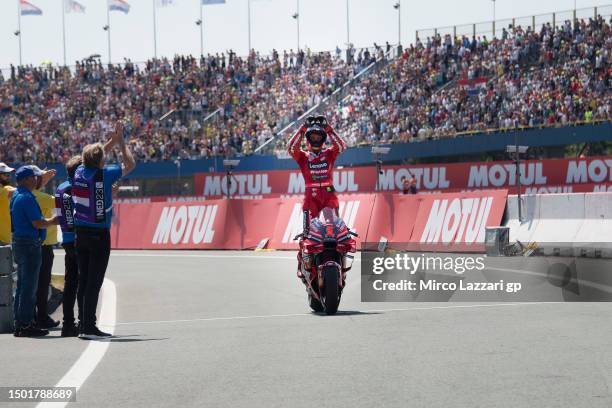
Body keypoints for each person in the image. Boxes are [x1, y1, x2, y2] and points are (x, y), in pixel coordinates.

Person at [74, 122, 135, 339]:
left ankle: (83, 323)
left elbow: (92, 157)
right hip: (99, 235)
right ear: (101, 161)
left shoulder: (80, 172)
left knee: (84, 280)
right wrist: (121, 142)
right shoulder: (106, 174)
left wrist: (111, 142)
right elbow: (130, 163)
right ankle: (88, 327)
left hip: (80, 233)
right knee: (94, 282)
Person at [287, 115, 347, 280]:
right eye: (312, 136)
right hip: (310, 200)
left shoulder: (329, 154)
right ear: (308, 138)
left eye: (318, 136)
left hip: (329, 197)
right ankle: (302, 264)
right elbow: (290, 148)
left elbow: (342, 146)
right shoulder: (303, 157)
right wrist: (302, 128)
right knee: (307, 234)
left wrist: (329, 128)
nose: (315, 139)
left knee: (334, 232)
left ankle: (339, 265)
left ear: (323, 138)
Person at [10, 165, 59, 337]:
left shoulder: (17, 195)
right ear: (26, 180)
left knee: (23, 285)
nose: (36, 180)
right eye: (34, 177)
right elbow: (37, 223)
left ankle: (20, 323)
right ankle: (26, 324)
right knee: (29, 287)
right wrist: (53, 221)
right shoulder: (26, 197)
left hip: (20, 242)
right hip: (29, 244)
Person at [55, 156, 83, 337]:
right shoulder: (78, 188)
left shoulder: (60, 188)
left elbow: (60, 215)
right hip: (80, 238)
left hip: (66, 238)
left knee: (70, 283)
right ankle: (84, 322)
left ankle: (67, 324)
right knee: (84, 282)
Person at [31, 166, 60, 329]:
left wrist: (43, 178)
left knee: (31, 283)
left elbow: (36, 188)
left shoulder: (25, 195)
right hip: (45, 244)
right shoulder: (45, 197)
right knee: (42, 284)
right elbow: (63, 203)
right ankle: (42, 316)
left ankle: (34, 316)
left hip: (31, 243)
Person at [0, 163, 16, 246]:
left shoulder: (5, 188)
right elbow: (19, 191)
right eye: (6, 174)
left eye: (9, 174)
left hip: (4, 239)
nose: (9, 176)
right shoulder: (4, 190)